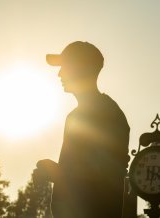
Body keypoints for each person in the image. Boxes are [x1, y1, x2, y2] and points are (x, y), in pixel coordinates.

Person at [33, 41, 130, 218]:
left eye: (65, 66)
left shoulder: (107, 114)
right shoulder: (76, 116)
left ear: (82, 69)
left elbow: (106, 174)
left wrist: (57, 173)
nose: (59, 74)